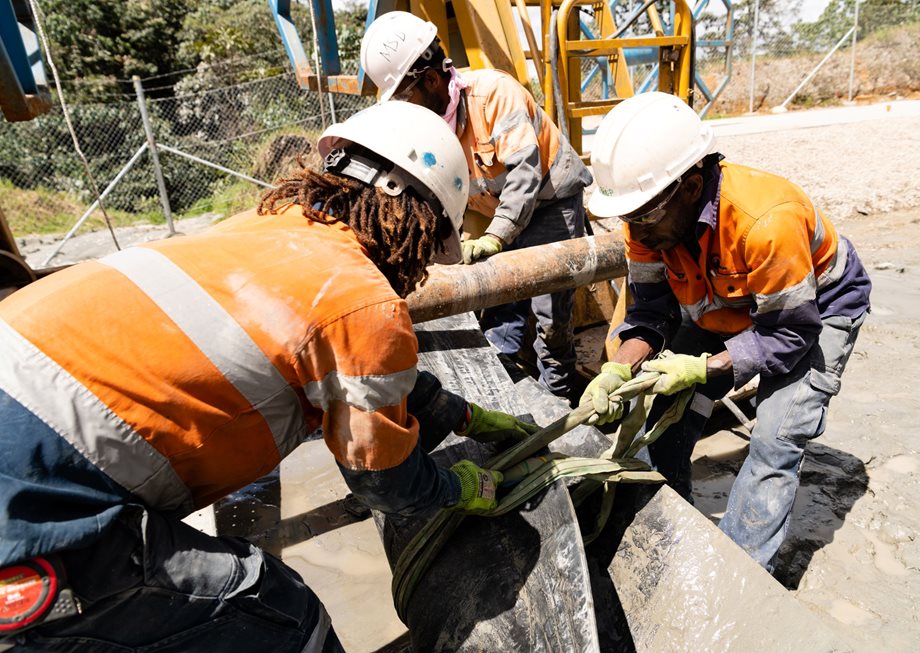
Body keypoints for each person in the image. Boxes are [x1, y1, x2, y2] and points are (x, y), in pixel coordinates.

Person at [0, 101, 538, 652]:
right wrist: (457, 488)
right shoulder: (364, 303)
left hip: (22, 412)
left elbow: (345, 375)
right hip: (37, 505)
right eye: (427, 251)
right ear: (419, 224)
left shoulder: (271, 227)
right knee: (278, 617)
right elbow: (384, 482)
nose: (420, 269)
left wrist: (465, 415)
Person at [579, 92, 872, 573]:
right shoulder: (648, 223)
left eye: (643, 216)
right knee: (665, 414)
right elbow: (652, 313)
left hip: (814, 311)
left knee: (775, 441)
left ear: (691, 187)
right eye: (627, 218)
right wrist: (619, 368)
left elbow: (788, 334)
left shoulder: (765, 222)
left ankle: (740, 574)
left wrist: (704, 367)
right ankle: (670, 530)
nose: (636, 232)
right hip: (722, 305)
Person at [359, 11, 594, 400]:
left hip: (549, 202)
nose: (405, 110)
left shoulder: (495, 95)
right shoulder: (429, 125)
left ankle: (559, 401)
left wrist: (498, 236)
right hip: (491, 208)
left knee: (551, 314)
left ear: (431, 80)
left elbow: (525, 176)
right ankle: (507, 391)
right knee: (500, 302)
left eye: (405, 97)